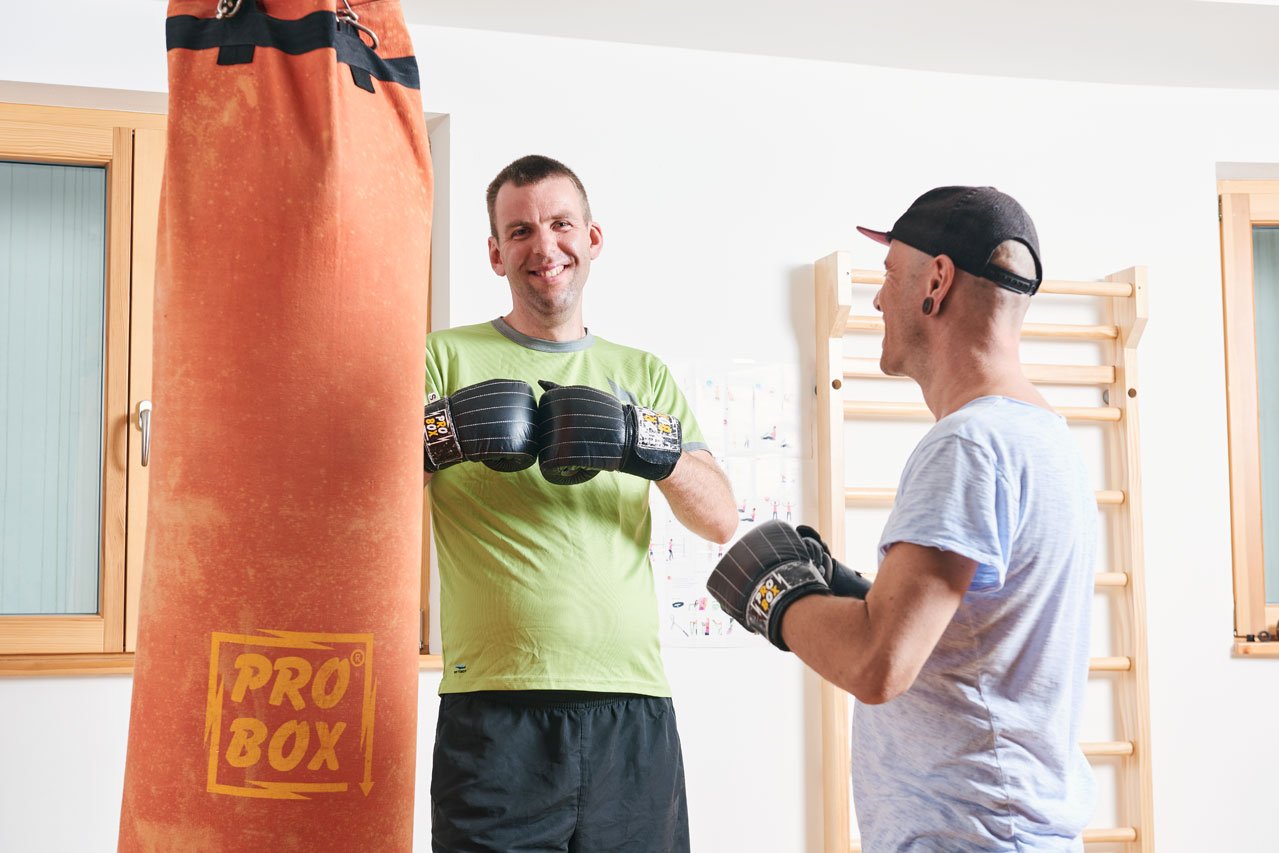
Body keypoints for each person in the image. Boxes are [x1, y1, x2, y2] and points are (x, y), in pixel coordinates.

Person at [708, 187, 1097, 850]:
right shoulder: (1042, 436)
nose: (879, 299)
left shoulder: (966, 446)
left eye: (889, 276)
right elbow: (975, 634)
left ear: (935, 282)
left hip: (966, 833)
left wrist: (774, 596)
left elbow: (876, 663)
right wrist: (856, 591)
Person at [423, 154, 738, 853]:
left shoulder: (640, 373)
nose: (544, 246)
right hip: (494, 706)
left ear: (591, 238)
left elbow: (717, 514)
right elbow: (364, 492)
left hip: (631, 702)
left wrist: (643, 443)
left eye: (560, 223)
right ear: (495, 252)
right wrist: (440, 436)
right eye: (521, 230)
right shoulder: (440, 358)